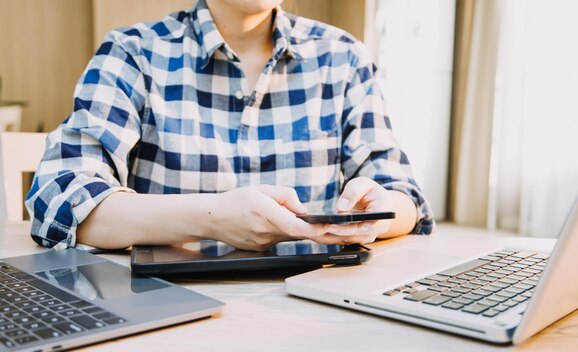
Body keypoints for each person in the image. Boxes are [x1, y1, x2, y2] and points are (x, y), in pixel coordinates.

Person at [26, 0, 434, 251]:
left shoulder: (343, 57)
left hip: (317, 311)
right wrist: (212, 217)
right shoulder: (134, 53)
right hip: (164, 314)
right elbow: (59, 197)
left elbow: (404, 197)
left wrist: (375, 211)